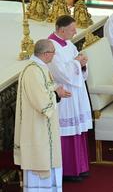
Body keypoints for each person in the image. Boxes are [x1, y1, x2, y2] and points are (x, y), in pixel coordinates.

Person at [14, 39, 71, 191]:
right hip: (37, 128)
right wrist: (55, 95)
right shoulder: (32, 71)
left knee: (49, 161)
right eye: (53, 52)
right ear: (46, 54)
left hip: (44, 128)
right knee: (39, 164)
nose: (54, 55)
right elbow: (41, 101)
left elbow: (47, 87)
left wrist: (57, 90)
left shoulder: (40, 67)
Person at [47, 15, 93, 181]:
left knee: (77, 130)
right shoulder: (51, 46)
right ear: (61, 30)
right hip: (64, 93)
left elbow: (76, 64)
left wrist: (83, 63)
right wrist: (77, 63)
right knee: (66, 132)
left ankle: (80, 166)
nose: (75, 32)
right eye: (72, 29)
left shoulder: (67, 43)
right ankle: (68, 170)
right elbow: (61, 73)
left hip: (75, 92)